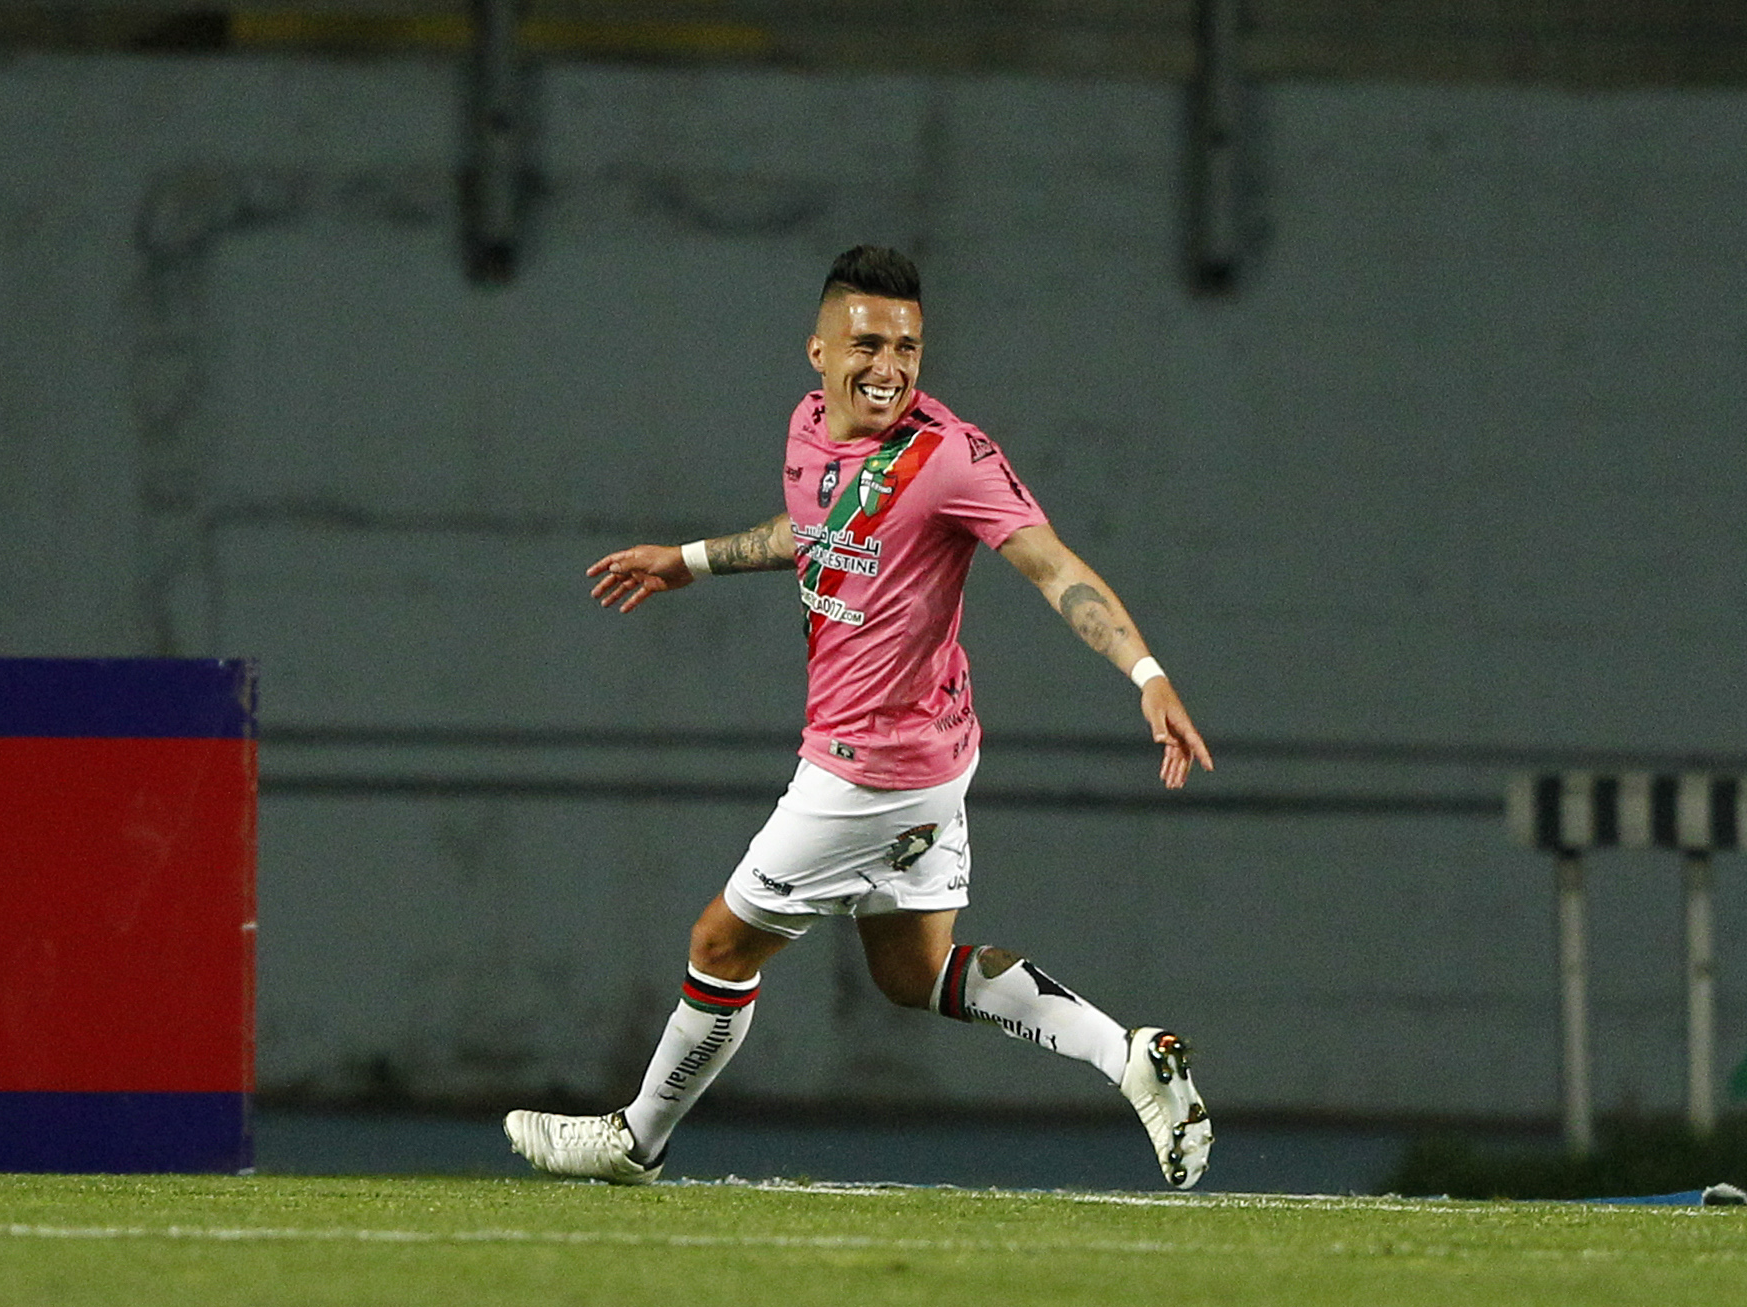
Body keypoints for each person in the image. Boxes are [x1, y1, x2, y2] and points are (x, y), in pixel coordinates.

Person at [504, 245, 1216, 1189]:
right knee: (913, 970)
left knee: (720, 944)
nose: (889, 368)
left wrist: (1146, 673)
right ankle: (1127, 1056)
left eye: (907, 349)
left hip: (867, 770)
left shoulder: (951, 457)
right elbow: (820, 528)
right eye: (868, 344)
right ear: (819, 352)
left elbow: (1053, 567)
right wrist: (693, 558)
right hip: (931, 756)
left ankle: (636, 1140)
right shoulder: (809, 428)